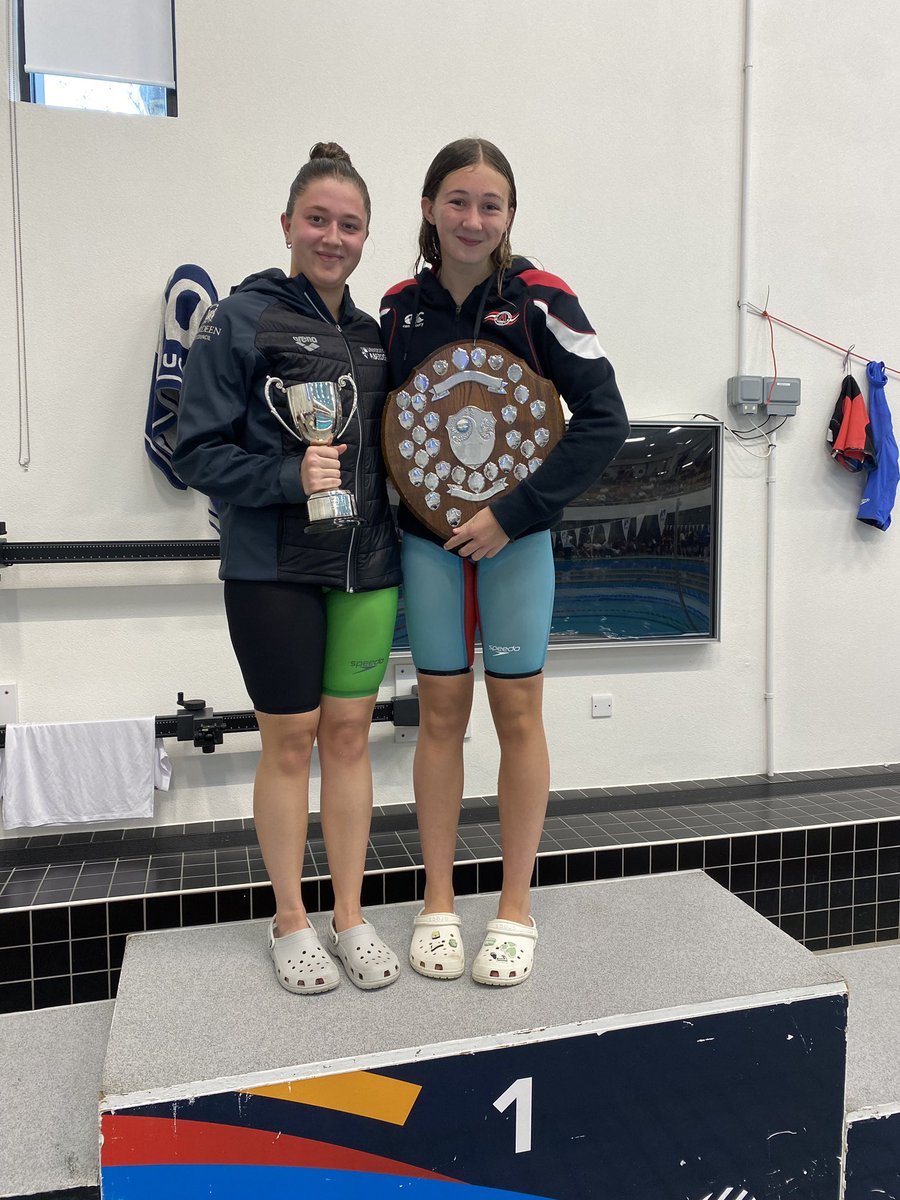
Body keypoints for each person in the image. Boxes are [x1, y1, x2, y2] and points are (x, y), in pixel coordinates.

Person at [380, 138, 629, 987]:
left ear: (510, 215)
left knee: (519, 720)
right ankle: (439, 902)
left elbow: (603, 417)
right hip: (428, 546)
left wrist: (513, 514)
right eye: (457, 200)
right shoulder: (394, 310)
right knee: (440, 718)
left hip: (515, 544)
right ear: (427, 208)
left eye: (491, 204)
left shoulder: (541, 300)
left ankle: (515, 907)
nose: (473, 219)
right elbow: (389, 432)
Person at [174, 143, 401, 994]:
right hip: (272, 566)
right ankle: (290, 920)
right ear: (287, 225)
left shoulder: (373, 337)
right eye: (318, 220)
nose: (332, 236)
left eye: (348, 224)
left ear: (367, 234)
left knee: (350, 738)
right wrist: (282, 477)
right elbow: (192, 446)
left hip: (367, 567)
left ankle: (348, 916)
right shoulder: (242, 318)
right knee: (289, 742)